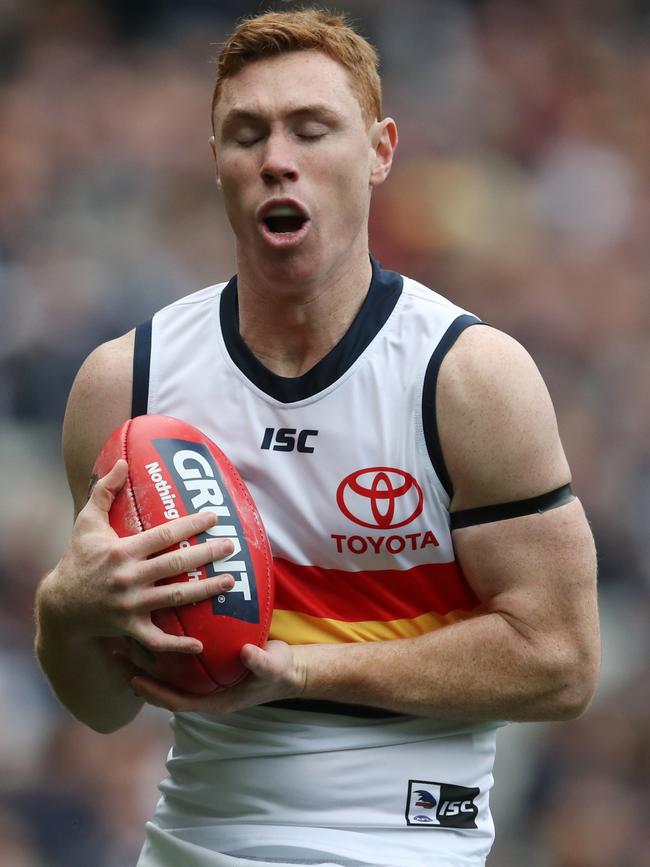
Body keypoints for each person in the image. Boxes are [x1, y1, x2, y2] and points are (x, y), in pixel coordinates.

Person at [35, 9, 600, 867]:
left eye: (312, 129)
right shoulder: (127, 385)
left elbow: (561, 661)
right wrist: (66, 614)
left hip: (411, 840)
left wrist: (300, 670)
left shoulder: (467, 378)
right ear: (216, 161)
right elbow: (106, 706)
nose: (276, 160)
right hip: (196, 839)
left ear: (380, 151)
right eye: (246, 134)